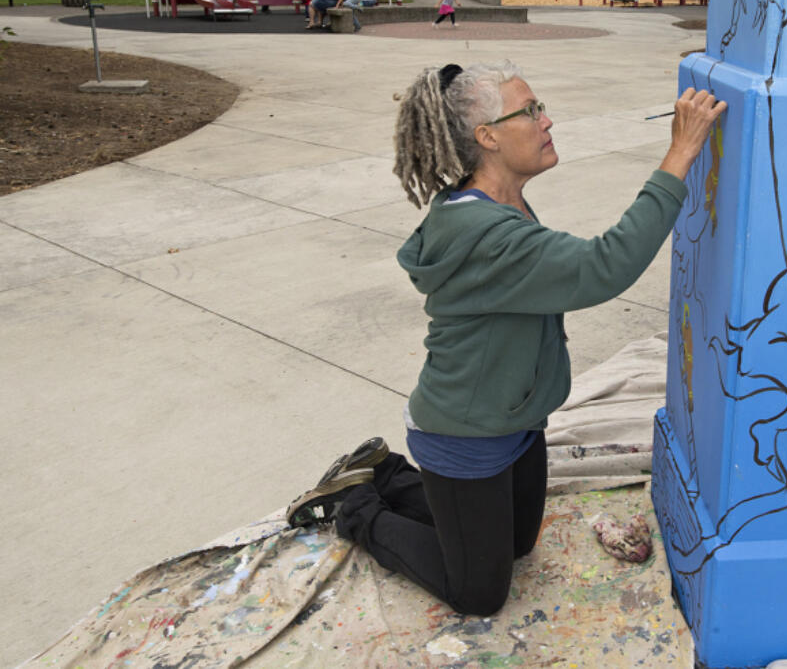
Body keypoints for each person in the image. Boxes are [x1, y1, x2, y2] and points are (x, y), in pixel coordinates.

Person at [284, 61, 727, 616]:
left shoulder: (490, 198)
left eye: (540, 107)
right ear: (487, 137)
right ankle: (353, 505)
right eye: (531, 110)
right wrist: (680, 154)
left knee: (518, 545)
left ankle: (388, 475)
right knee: (479, 594)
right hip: (465, 434)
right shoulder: (483, 233)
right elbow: (604, 267)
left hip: (515, 421)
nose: (546, 120)